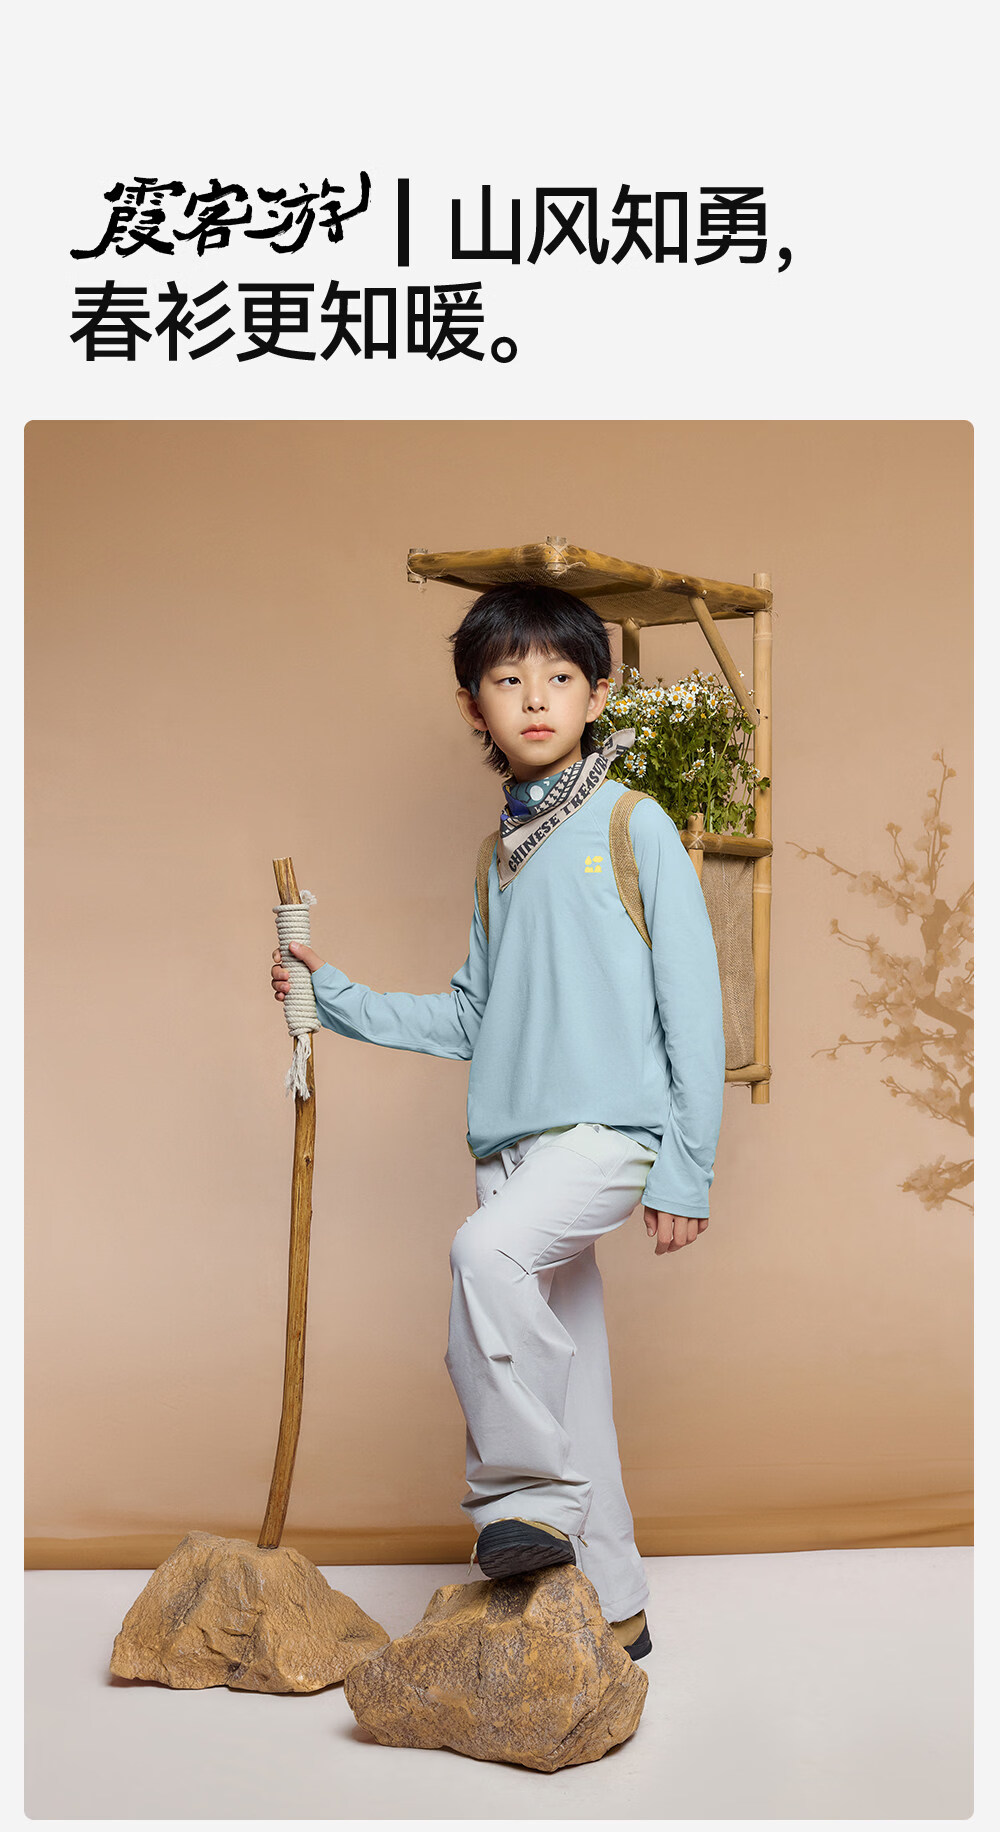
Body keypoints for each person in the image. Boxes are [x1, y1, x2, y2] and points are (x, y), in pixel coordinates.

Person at [270, 583, 726, 1661]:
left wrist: (686, 1169)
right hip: (512, 1145)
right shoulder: (498, 855)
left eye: (559, 677)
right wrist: (332, 996)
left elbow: (696, 1009)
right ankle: (617, 1606)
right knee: (574, 1380)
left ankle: (524, 1500)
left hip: (608, 1135)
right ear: (472, 703)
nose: (534, 698)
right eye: (507, 679)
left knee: (484, 1257)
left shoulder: (633, 823)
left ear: (597, 693)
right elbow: (472, 1014)